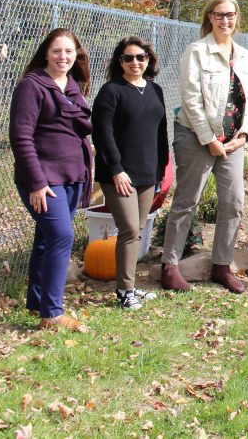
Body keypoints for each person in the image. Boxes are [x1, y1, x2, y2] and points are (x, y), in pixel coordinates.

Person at [161, 0, 248, 294]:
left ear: (237, 17)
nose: (225, 20)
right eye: (219, 14)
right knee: (188, 201)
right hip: (195, 136)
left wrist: (243, 135)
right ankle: (170, 265)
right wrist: (209, 139)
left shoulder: (244, 54)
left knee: (234, 203)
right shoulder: (197, 52)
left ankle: (222, 265)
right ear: (210, 17)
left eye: (230, 15)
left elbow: (245, 101)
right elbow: (190, 100)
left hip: (232, 142)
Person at [9, 29, 93, 331]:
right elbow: (21, 137)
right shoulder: (32, 86)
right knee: (61, 236)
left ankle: (37, 303)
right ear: (46, 53)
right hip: (44, 180)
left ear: (76, 55)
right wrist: (36, 182)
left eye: (69, 51)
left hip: (73, 177)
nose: (63, 57)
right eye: (57, 51)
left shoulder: (72, 87)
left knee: (46, 240)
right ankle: (53, 313)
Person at [91, 37, 168, 310]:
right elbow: (103, 135)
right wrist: (116, 170)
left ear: (149, 60)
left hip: (148, 173)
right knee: (129, 230)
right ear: (119, 61)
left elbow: (161, 133)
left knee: (138, 230)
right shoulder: (110, 91)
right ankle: (125, 292)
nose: (135, 62)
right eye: (128, 58)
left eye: (141, 57)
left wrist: (161, 170)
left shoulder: (155, 90)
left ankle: (130, 287)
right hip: (120, 175)